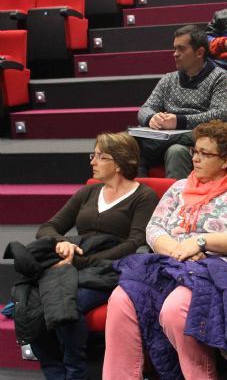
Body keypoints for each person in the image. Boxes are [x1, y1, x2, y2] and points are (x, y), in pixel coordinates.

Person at [103, 120, 227, 380]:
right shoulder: (179, 188)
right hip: (174, 262)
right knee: (122, 299)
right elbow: (155, 228)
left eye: (205, 153)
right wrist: (180, 249)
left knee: (176, 309)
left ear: (226, 160)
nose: (196, 158)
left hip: (223, 267)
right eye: (195, 151)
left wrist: (201, 242)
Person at [23, 132, 158, 380]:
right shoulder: (88, 193)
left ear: (118, 163)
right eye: (92, 155)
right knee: (30, 307)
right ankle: (55, 372)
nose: (92, 162)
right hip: (72, 265)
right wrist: (64, 244)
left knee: (66, 306)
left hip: (111, 269)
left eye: (99, 156)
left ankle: (76, 372)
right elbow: (48, 227)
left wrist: (81, 261)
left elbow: (134, 243)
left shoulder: (143, 196)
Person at [137, 24, 227, 179]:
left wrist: (179, 121)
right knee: (127, 146)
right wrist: (152, 118)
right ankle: (139, 197)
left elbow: (221, 114)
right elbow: (146, 108)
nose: (175, 54)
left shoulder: (221, 78)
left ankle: (179, 202)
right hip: (166, 132)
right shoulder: (168, 79)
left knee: (175, 150)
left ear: (200, 52)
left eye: (181, 49)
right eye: (174, 49)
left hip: (199, 137)